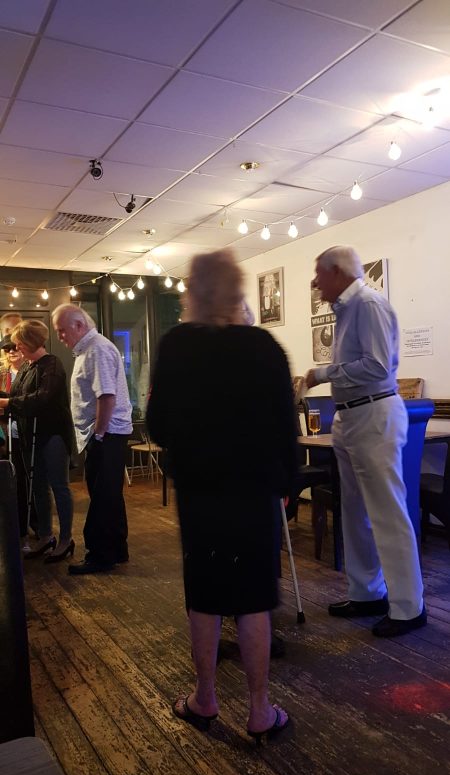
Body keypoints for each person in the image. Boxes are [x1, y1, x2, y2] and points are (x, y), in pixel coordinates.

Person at [147, 249, 298, 742]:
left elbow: (159, 426)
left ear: (193, 292)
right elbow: (284, 431)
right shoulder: (266, 348)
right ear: (237, 292)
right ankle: (260, 709)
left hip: (201, 491)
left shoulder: (176, 346)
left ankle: (205, 698)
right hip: (254, 492)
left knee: (206, 595)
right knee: (255, 597)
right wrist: (285, 489)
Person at [304, 245, 426, 638]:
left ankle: (409, 606)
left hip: (373, 414)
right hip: (353, 416)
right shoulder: (346, 310)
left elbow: (378, 365)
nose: (315, 282)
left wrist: (323, 373)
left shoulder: (369, 305)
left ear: (336, 271)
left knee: (387, 512)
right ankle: (367, 592)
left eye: (318, 274)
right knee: (354, 511)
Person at [51, 304, 132, 575]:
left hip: (105, 434)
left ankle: (100, 556)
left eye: (62, 330)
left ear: (79, 325)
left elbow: (106, 396)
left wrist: (98, 434)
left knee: (101, 497)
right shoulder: (90, 349)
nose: (61, 336)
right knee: (109, 495)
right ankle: (117, 550)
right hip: (107, 434)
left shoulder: (96, 349)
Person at [0, 321, 74, 561]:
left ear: (31, 341)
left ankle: (65, 539)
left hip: (52, 435)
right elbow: (16, 396)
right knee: (39, 488)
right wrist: (7, 400)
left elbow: (42, 398)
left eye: (20, 342)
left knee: (59, 487)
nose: (16, 346)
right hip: (31, 435)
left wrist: (8, 403)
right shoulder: (27, 367)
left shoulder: (52, 364)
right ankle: (45, 535)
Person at [0, 334, 39, 547]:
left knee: (29, 481)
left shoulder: (30, 371)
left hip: (25, 431)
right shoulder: (2, 374)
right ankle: (14, 523)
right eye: (7, 350)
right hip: (7, 432)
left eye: (15, 348)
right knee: (12, 480)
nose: (11, 352)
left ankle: (33, 523)